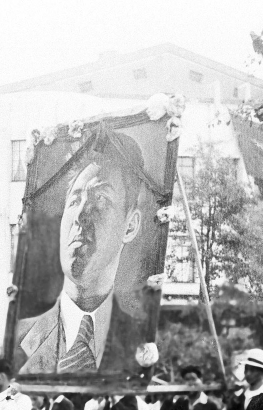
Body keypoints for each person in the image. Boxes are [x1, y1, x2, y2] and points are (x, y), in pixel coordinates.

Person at [13, 136, 157, 375]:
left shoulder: (143, 341)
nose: (81, 215)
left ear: (130, 226)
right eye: (75, 200)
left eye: (100, 199)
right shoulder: (21, 336)